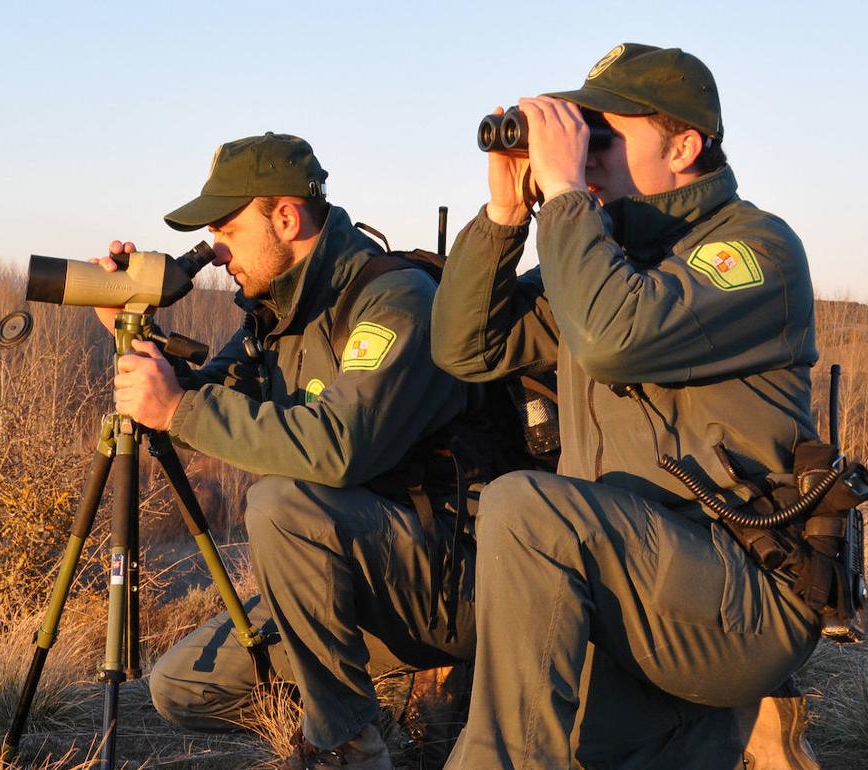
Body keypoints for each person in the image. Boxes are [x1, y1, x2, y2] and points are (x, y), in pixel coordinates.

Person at [431, 44, 824, 769]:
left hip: (741, 595)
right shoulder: (600, 263)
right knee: (593, 751)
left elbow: (617, 339)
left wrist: (568, 197)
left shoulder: (756, 249)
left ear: (684, 144)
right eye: (576, 133)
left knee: (524, 505)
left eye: (601, 134)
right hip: (634, 598)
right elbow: (465, 350)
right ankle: (721, 730)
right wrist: (504, 215)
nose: (585, 153)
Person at [101, 132, 475, 770]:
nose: (216, 251)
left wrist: (179, 408)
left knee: (279, 502)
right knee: (181, 687)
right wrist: (134, 339)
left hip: (446, 577)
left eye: (226, 226)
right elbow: (200, 398)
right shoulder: (275, 316)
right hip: (346, 581)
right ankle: (362, 703)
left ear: (285, 216)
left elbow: (339, 448)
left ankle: (349, 746)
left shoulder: (393, 299)